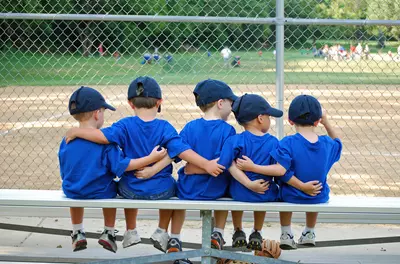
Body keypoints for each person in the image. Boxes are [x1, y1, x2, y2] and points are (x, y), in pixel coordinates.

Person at [65, 77, 224, 253]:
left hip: (129, 191)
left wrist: (77, 131)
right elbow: (181, 150)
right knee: (173, 184)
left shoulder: (124, 125)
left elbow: (102, 137)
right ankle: (162, 231)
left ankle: (131, 230)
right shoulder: (165, 127)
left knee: (124, 181)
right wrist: (206, 164)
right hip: (161, 191)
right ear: (159, 102)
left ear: (131, 104)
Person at [59, 86, 166, 253]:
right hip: (100, 191)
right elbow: (121, 167)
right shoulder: (106, 144)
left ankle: (77, 231)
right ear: (96, 114)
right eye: (103, 111)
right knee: (113, 186)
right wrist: (150, 159)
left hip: (72, 189)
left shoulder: (67, 140)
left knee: (75, 187)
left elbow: (65, 170)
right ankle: (108, 232)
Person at [143, 79, 238, 261]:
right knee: (228, 189)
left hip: (189, 190)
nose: (231, 108)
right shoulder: (228, 130)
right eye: (230, 103)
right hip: (216, 190)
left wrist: (154, 170)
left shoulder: (190, 127)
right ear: (220, 103)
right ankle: (218, 232)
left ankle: (175, 239)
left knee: (179, 191)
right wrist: (208, 167)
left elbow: (173, 153)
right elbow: (222, 163)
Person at [216, 94, 320, 251]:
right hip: (265, 194)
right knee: (266, 188)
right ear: (260, 118)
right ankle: (257, 231)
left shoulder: (235, 140)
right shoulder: (273, 142)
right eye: (269, 117)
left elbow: (227, 164)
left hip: (239, 193)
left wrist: (248, 183)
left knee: (233, 189)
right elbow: (280, 170)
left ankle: (238, 230)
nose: (270, 120)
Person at [271, 95, 342, 249]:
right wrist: (327, 121)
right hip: (318, 197)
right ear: (317, 121)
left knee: (282, 188)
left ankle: (286, 234)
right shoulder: (327, 143)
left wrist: (302, 186)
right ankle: (309, 232)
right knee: (317, 187)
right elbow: (339, 143)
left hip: (291, 196)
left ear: (290, 121)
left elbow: (282, 172)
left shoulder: (287, 143)